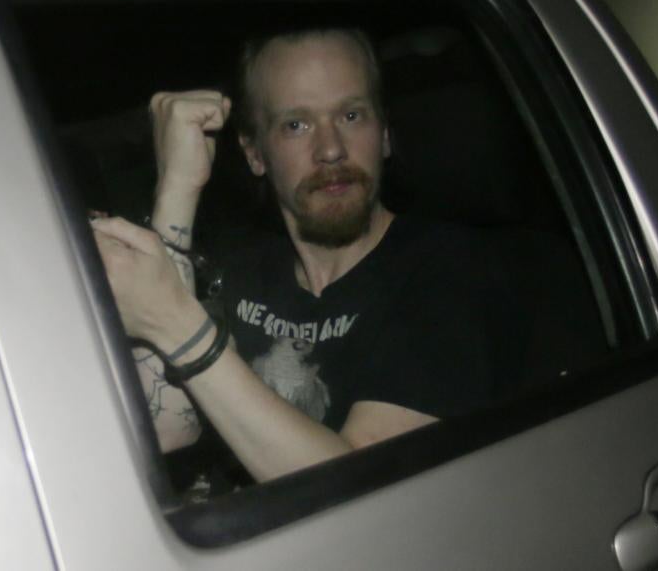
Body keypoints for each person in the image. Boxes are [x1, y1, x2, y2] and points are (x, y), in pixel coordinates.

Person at [92, 28, 508, 483]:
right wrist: (177, 188)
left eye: (351, 115)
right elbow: (164, 428)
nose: (331, 149)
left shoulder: (446, 268)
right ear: (255, 154)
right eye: (297, 125)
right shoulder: (240, 266)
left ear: (384, 135)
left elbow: (364, 491)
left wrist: (177, 325)